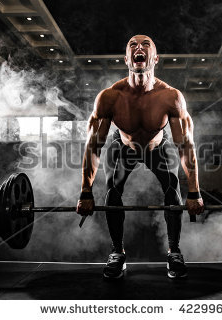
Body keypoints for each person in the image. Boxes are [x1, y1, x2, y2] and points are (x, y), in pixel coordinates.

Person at [76, 35, 204, 279]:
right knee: (112, 191)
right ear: (127, 59)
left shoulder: (171, 97)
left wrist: (195, 192)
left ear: (154, 58)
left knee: (173, 189)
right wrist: (85, 192)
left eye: (146, 44)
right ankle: (117, 252)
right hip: (123, 146)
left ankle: (174, 251)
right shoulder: (109, 97)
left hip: (158, 146)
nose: (139, 47)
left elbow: (186, 146)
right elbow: (93, 146)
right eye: (133, 45)